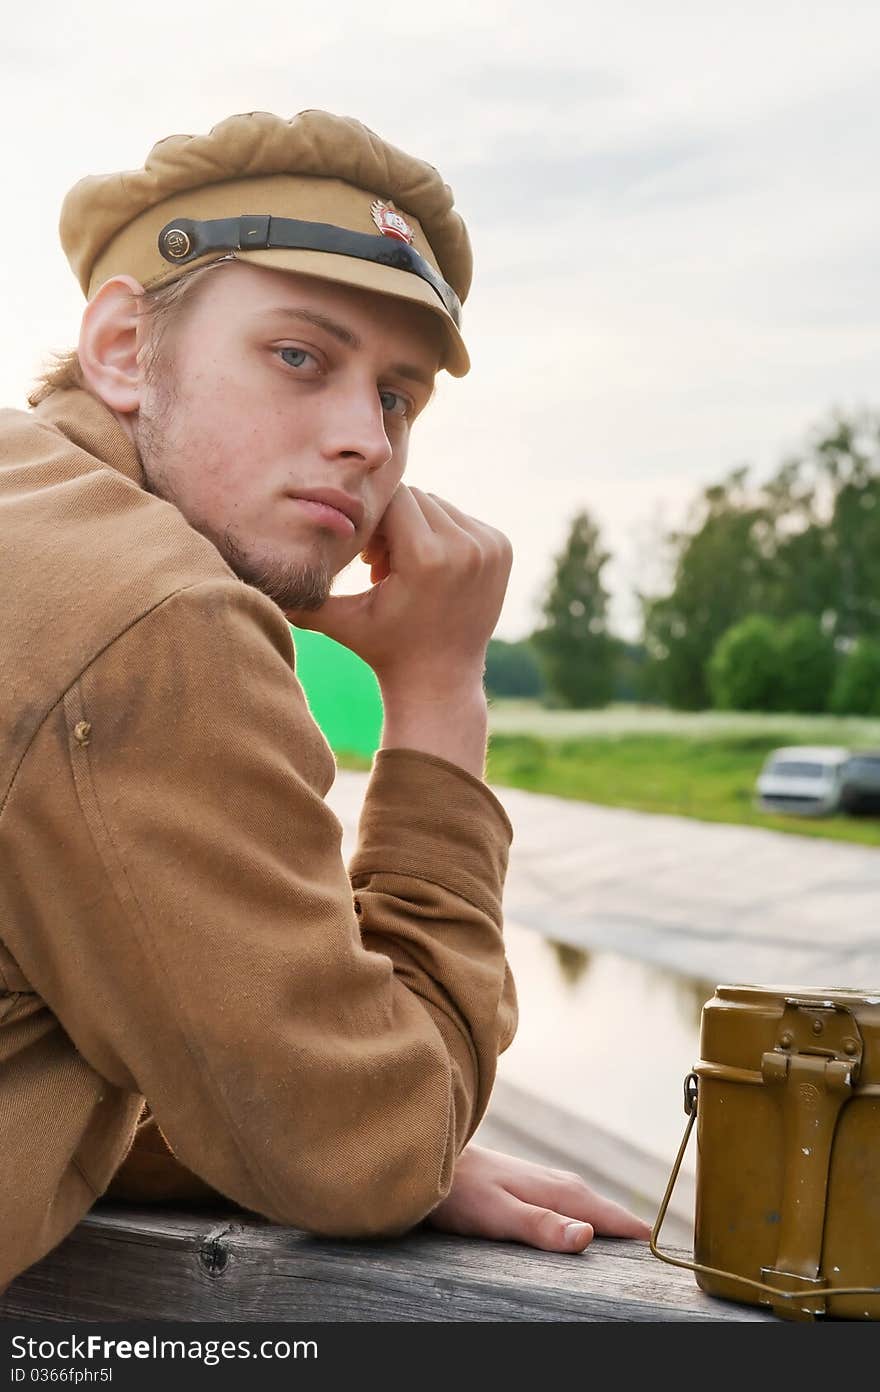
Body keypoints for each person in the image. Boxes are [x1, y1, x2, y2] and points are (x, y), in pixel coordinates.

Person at [0, 109, 649, 1294]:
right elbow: (378, 1148)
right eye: (300, 357)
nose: (364, 440)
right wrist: (443, 692)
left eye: (398, 400)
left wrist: (269, 1112)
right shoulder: (153, 616)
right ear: (124, 347)